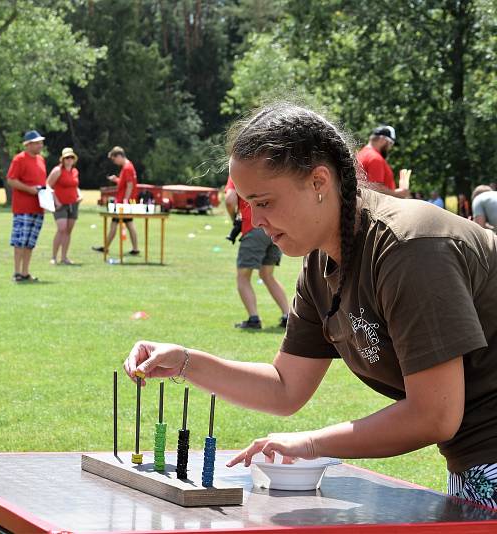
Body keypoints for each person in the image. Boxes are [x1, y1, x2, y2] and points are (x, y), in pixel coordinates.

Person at [124, 103, 497, 508]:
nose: (255, 221)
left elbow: (435, 414)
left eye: (264, 201)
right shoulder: (320, 264)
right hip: (476, 461)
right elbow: (286, 387)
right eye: (248, 204)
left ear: (319, 181)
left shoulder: (411, 249)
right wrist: (184, 361)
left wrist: (310, 443)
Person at [225, 175, 290, 329]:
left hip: (254, 227)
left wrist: (235, 219)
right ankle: (288, 316)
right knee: (267, 275)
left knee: (243, 276)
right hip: (276, 227)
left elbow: (229, 200)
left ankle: (253, 319)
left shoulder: (238, 169)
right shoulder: (269, 168)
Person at [6, 130, 47, 282]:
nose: (40, 145)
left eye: (41, 143)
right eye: (37, 143)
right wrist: (31, 190)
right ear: (28, 144)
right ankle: (17, 272)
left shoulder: (41, 160)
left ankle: (25, 272)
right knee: (20, 241)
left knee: (30, 243)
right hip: (23, 208)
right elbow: (11, 180)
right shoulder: (19, 159)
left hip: (38, 208)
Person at [92, 146, 140, 257]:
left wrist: (125, 201)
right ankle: (135, 248)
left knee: (114, 223)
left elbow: (130, 185)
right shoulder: (128, 167)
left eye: (114, 159)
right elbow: (125, 184)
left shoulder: (127, 168)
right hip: (125, 201)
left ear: (119, 156)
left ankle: (106, 247)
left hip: (123, 203)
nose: (114, 162)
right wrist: (116, 179)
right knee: (129, 224)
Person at [47, 147, 82, 265]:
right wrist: (56, 201)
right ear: (62, 159)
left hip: (73, 203)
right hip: (59, 205)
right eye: (67, 157)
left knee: (68, 231)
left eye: (71, 157)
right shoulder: (57, 170)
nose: (69, 159)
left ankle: (64, 257)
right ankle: (53, 257)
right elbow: (47, 186)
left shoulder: (75, 171)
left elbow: (75, 186)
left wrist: (80, 195)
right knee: (61, 229)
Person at [356, 125, 409, 198]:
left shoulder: (360, 154)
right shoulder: (375, 158)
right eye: (391, 143)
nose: (390, 147)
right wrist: (397, 194)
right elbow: (376, 188)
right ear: (383, 140)